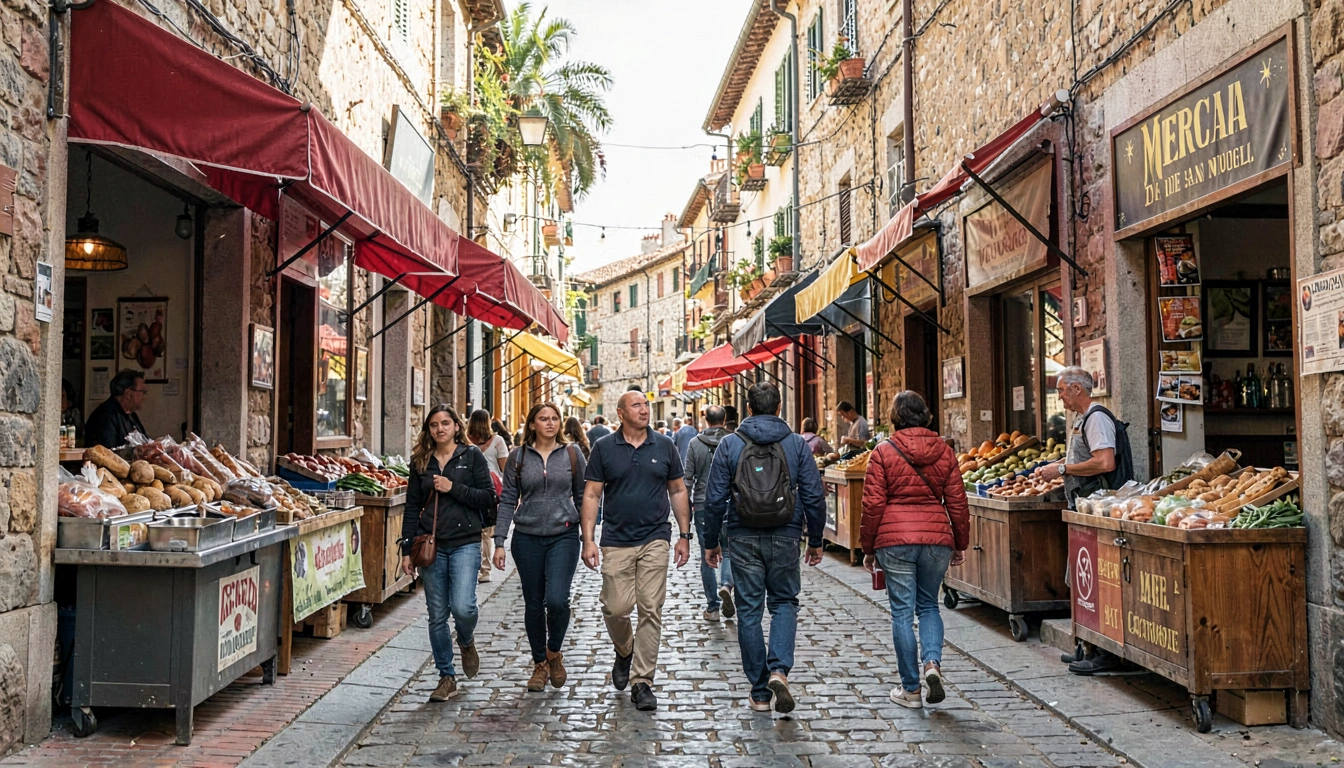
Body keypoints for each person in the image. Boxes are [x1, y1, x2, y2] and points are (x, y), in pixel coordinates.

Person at [703, 383, 826, 715]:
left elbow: (714, 499)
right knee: (785, 601)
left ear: (747, 407)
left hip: (742, 534)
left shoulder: (730, 443)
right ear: (780, 406)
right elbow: (814, 495)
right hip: (785, 533)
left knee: (749, 611)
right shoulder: (796, 444)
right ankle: (779, 671)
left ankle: (759, 693)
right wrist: (815, 539)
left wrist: (711, 542)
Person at [580, 390, 692, 712]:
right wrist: (588, 539)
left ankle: (642, 681)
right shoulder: (603, 449)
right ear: (620, 413)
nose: (644, 409)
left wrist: (684, 534)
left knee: (650, 608)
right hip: (615, 540)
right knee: (615, 608)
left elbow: (677, 489)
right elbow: (591, 495)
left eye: (646, 404)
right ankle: (625, 650)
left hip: (656, 536)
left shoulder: (665, 445)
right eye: (637, 405)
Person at [860, 390, 970, 709]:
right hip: (936, 538)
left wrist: (868, 548)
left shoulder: (883, 452)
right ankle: (932, 664)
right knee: (930, 606)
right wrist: (960, 543)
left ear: (895, 417)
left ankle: (910, 690)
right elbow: (958, 503)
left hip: (894, 540)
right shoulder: (945, 451)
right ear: (926, 415)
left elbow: (872, 505)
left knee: (902, 613)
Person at [1032, 366, 1131, 675]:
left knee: (1099, 580)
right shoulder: (1081, 420)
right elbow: (1081, 459)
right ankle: (1087, 644)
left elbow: (1104, 461)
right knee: (1082, 578)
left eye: (1061, 390)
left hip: (1100, 509)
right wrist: (1057, 466)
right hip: (1085, 508)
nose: (1059, 396)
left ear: (1077, 388)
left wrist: (1062, 471)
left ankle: (1104, 652)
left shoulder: (1097, 417)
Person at [400, 405, 498, 702]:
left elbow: (488, 498)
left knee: (464, 608)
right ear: (428, 430)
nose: (439, 429)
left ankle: (466, 640)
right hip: (431, 544)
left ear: (457, 426)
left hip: (466, 542)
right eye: (433, 425)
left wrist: (452, 487)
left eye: (445, 423)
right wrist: (407, 549)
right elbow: (412, 506)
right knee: (437, 615)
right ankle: (446, 676)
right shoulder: (421, 462)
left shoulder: (472, 456)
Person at [494, 403, 586, 692]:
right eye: (543, 419)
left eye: (554, 418)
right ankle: (539, 664)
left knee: (558, 599)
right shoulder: (518, 457)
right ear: (532, 424)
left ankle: (553, 651)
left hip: (564, 535)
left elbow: (585, 495)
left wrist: (590, 538)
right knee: (534, 603)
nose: (550, 423)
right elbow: (508, 499)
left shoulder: (572, 453)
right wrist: (499, 542)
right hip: (527, 537)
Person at [683, 405, 734, 621]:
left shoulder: (695, 443)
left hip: (703, 504)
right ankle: (726, 585)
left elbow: (687, 478)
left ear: (706, 420)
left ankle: (712, 608)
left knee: (707, 556)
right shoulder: (734, 441)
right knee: (730, 550)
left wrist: (685, 506)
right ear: (725, 419)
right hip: (731, 503)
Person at [467, 410, 509, 584]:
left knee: (471, 529)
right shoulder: (498, 441)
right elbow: (504, 470)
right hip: (490, 490)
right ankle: (485, 570)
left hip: (468, 488)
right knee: (486, 531)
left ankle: (471, 569)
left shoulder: (466, 441)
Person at [84, 369, 148, 449]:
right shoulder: (105, 416)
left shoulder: (131, 415)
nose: (144, 397)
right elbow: (109, 452)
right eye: (143, 392)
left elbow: (145, 441)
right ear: (128, 394)